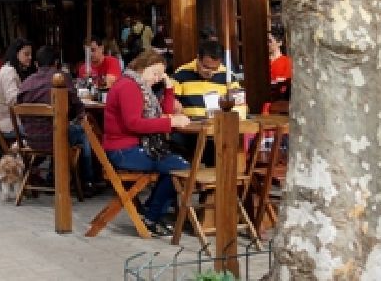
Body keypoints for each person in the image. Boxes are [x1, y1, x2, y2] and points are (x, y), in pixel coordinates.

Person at [102, 49, 191, 236]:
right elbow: (134, 123)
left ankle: (151, 212)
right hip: (124, 150)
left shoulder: (138, 85)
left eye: (161, 74)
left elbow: (163, 113)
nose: (158, 78)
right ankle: (152, 216)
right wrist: (170, 122)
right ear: (143, 67)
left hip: (131, 147)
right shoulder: (129, 87)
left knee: (177, 163)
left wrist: (168, 88)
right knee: (179, 167)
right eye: (155, 73)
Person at [16, 46, 100, 196]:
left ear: (36, 64)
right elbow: (77, 106)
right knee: (83, 133)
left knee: (60, 128)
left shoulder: (26, 83)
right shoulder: (62, 79)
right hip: (56, 138)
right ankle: (88, 181)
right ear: (56, 63)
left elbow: (21, 113)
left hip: (31, 139)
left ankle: (51, 177)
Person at [171, 39, 242, 117]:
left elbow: (240, 105)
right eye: (206, 67)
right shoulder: (181, 73)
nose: (210, 72)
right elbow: (171, 101)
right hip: (190, 124)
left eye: (215, 69)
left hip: (218, 123)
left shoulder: (228, 76)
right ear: (198, 58)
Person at [0, 39, 33, 139]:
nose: (30, 57)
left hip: (9, 122)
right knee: (45, 131)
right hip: (8, 125)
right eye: (26, 54)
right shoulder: (9, 72)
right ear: (16, 54)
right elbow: (13, 100)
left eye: (31, 54)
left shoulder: (9, 69)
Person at [267, 29, 292, 108]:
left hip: (280, 100)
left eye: (270, 41)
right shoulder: (263, 61)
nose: (268, 44)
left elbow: (287, 80)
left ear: (279, 43)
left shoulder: (286, 61)